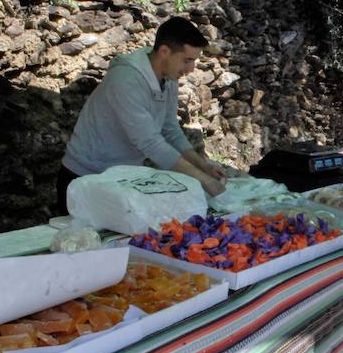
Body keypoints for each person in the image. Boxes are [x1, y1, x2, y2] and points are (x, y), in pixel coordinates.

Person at [57, 16, 226, 215]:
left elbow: (170, 128)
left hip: (122, 178)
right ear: (164, 51)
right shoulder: (126, 80)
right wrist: (202, 180)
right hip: (84, 177)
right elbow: (150, 142)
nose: (191, 69)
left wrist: (202, 165)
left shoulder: (168, 77)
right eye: (187, 60)